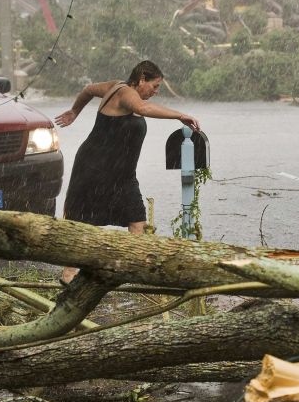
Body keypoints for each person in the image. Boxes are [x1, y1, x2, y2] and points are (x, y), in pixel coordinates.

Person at [55, 60, 200, 282]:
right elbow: (142, 108)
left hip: (122, 175)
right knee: (82, 222)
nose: (155, 92)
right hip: (95, 168)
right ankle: (68, 276)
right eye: (154, 86)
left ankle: (135, 270)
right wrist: (180, 115)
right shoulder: (123, 92)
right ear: (141, 79)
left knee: (137, 221)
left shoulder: (116, 88)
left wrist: (75, 111)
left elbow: (87, 90)